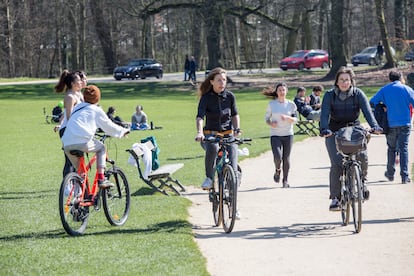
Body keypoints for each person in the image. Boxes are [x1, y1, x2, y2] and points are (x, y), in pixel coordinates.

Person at [320, 66, 381, 211]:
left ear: (351, 81)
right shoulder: (329, 95)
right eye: (341, 80)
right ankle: (335, 198)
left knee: (362, 155)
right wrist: (324, 129)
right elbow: (324, 115)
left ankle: (363, 182)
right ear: (336, 82)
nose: (344, 83)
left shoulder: (358, 94)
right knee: (336, 164)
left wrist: (375, 126)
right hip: (334, 131)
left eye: (347, 80)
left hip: (354, 129)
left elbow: (367, 112)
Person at [62, 85, 129, 189]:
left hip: (67, 143)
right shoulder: (96, 110)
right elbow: (109, 126)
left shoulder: (77, 108)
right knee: (101, 148)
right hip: (82, 142)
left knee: (80, 174)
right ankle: (101, 179)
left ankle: (79, 198)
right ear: (97, 98)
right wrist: (123, 131)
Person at [195, 67, 241, 191]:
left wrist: (237, 128)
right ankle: (209, 178)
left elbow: (235, 114)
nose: (222, 83)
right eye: (219, 80)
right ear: (212, 82)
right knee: (213, 147)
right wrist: (200, 133)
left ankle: (234, 179)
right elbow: (200, 117)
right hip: (210, 135)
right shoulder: (206, 98)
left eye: (224, 80)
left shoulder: (230, 96)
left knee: (233, 152)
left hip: (227, 134)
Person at [370, 70, 414, 184]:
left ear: (389, 79)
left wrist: (383, 105)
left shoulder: (385, 90)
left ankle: (390, 173)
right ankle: (404, 176)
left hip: (390, 123)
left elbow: (372, 102)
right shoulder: (407, 89)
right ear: (400, 78)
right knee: (403, 149)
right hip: (405, 123)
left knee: (391, 149)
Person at [263, 82, 298, 188]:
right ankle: (278, 170)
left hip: (288, 134)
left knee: (286, 158)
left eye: (283, 90)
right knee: (277, 157)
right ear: (277, 92)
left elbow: (296, 119)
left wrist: (288, 118)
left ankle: (285, 180)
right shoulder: (272, 104)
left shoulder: (291, 104)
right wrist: (270, 123)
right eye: (280, 90)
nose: (282, 92)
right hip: (275, 134)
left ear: (286, 91)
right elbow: (266, 119)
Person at [54, 70, 86, 178]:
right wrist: (61, 124)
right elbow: (69, 116)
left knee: (79, 160)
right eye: (79, 80)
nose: (81, 82)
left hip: (76, 130)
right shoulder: (70, 97)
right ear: (73, 83)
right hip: (69, 130)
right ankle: (67, 186)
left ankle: (78, 185)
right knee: (70, 160)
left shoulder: (78, 94)